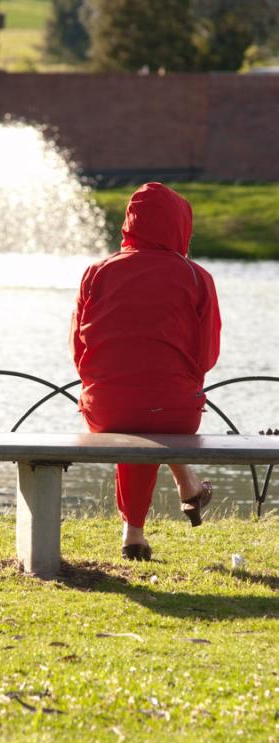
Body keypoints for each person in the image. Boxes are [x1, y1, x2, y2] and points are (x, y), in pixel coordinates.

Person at [69, 182, 221, 560]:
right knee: (154, 407)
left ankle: (134, 533)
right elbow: (207, 354)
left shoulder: (97, 272)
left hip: (107, 405)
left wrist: (105, 382)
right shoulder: (195, 276)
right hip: (176, 408)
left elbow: (78, 347)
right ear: (179, 225)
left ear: (130, 224)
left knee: (133, 408)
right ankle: (184, 490)